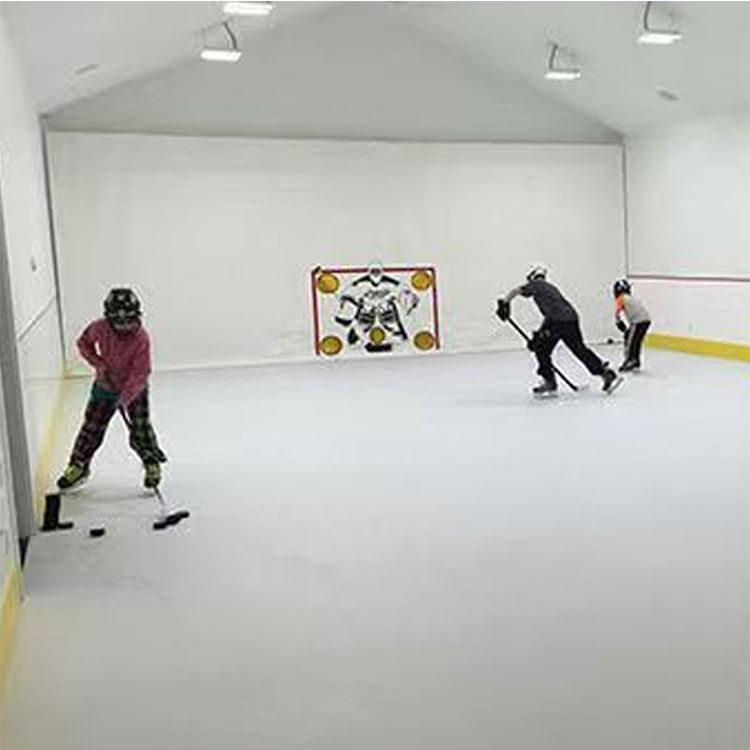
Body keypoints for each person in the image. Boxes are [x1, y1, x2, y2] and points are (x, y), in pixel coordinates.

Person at [56, 288, 167, 491]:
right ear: (109, 318)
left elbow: (140, 373)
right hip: (104, 386)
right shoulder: (99, 328)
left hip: (134, 389)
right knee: (91, 429)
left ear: (136, 315)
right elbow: (83, 343)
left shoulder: (141, 339)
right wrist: (99, 364)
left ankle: (151, 461)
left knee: (140, 427)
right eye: (118, 322)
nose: (124, 327)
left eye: (128, 321)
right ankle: (79, 466)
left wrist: (124, 398)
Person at [497, 264, 622, 396]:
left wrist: (505, 302)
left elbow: (516, 291)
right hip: (570, 319)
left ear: (533, 277)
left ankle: (549, 382)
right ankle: (605, 373)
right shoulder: (550, 288)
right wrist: (540, 333)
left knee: (541, 350)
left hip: (558, 322)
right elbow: (550, 316)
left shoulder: (537, 284)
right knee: (579, 349)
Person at [613, 279, 651, 372]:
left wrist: (618, 322)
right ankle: (636, 361)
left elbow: (617, 312)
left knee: (630, 341)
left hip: (637, 321)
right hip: (646, 320)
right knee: (636, 342)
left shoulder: (621, 298)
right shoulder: (630, 298)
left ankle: (629, 361)